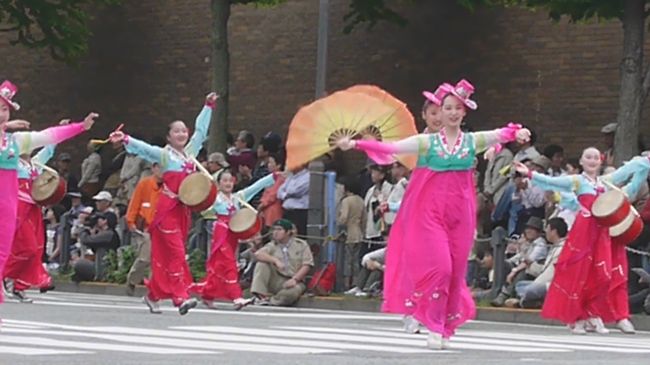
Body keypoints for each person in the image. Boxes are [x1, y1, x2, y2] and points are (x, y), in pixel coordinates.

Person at [337, 79, 531, 349]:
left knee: (455, 272)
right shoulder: (427, 143)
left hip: (460, 216)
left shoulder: (471, 141)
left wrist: (518, 132)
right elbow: (392, 148)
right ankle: (434, 324)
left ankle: (445, 326)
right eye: (446, 108)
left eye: (457, 108)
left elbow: (502, 134)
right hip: (430, 215)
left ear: (464, 112)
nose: (451, 113)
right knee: (441, 267)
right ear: (440, 111)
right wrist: (356, 145)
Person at [514, 148, 650, 335]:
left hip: (601, 234)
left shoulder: (606, 183)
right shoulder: (577, 180)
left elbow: (627, 175)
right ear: (581, 161)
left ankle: (593, 313)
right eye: (588, 157)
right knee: (579, 275)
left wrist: (643, 162)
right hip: (583, 232)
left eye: (596, 157)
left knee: (602, 276)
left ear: (600, 162)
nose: (592, 160)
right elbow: (553, 182)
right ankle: (577, 317)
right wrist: (530, 173)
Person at [109, 92, 218, 315]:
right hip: (166, 210)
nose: (182, 133)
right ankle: (180, 297)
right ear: (169, 137)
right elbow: (144, 148)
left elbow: (201, 132)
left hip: (183, 211)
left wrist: (208, 106)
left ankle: (153, 295)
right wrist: (126, 139)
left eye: (183, 130)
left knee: (167, 256)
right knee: (177, 253)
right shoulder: (164, 156)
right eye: (176, 131)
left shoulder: (190, 155)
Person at [0, 81, 96, 308]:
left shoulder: (15, 142)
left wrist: (80, 126)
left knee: (3, 251)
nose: (1, 114)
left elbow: (48, 136)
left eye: (4, 109)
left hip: (8, 205)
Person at [3, 120, 76, 301]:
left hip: (34, 210)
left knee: (36, 248)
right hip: (18, 209)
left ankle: (19, 285)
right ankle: (6, 276)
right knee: (25, 247)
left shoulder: (35, 164)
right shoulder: (12, 162)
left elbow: (49, 148)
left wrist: (59, 129)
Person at [189, 168, 275, 309]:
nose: (228, 183)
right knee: (230, 264)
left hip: (233, 234)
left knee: (219, 268)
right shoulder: (215, 198)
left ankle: (206, 295)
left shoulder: (238, 197)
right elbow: (200, 200)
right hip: (221, 232)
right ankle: (237, 297)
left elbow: (256, 187)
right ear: (219, 183)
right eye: (225, 180)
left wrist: (272, 177)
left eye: (230, 180)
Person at [249, 218, 314, 306]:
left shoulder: (301, 245)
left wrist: (295, 279)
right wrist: (275, 260)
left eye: (279, 229)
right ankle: (260, 296)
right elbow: (258, 254)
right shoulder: (272, 245)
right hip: (276, 279)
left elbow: (307, 264)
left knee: (292, 293)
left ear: (288, 232)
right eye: (274, 229)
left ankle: (272, 301)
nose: (275, 232)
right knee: (262, 263)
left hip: (293, 280)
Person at [125, 162, 162, 296]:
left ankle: (153, 290)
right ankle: (132, 280)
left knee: (158, 261)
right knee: (145, 258)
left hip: (163, 229)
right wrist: (131, 221)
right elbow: (135, 203)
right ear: (154, 168)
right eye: (160, 167)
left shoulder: (169, 186)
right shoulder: (144, 184)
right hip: (146, 227)